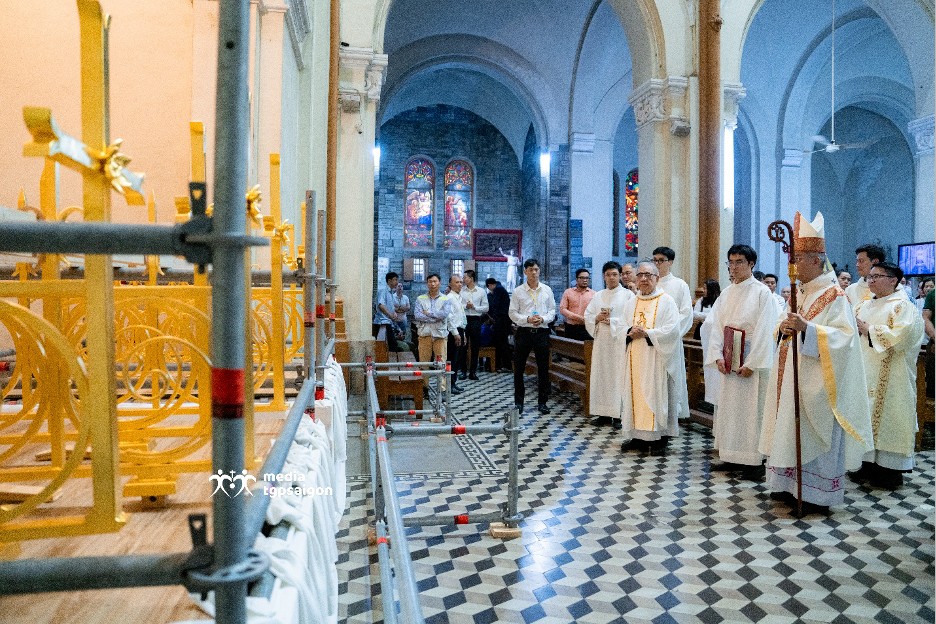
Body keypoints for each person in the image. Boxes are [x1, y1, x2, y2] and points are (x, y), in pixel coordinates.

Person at [759, 212, 874, 515]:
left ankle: (815, 494)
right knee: (788, 428)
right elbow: (782, 326)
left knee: (813, 433)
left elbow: (844, 338)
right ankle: (788, 485)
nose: (793, 265)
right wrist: (783, 328)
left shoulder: (834, 295)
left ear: (815, 259)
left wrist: (808, 330)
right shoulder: (801, 292)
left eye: (798, 259)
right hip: (790, 376)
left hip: (817, 382)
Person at [704, 245, 780, 478]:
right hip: (729, 358)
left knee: (751, 411)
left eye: (739, 262)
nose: (734, 267)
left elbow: (766, 330)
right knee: (729, 410)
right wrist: (717, 355)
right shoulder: (727, 293)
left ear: (751, 264)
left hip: (750, 359)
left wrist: (753, 363)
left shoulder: (762, 293)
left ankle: (753, 462)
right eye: (731, 262)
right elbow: (716, 326)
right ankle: (730, 456)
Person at [851, 262, 924, 490]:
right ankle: (864, 466)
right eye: (870, 277)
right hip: (864, 371)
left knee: (890, 418)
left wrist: (869, 330)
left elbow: (902, 337)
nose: (871, 281)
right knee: (864, 416)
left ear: (893, 280)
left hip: (892, 376)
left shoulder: (903, 307)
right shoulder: (862, 305)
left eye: (877, 276)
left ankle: (888, 472)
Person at [620, 260, 683, 455]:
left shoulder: (666, 301)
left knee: (655, 395)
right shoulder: (631, 302)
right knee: (635, 395)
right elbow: (621, 326)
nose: (644, 279)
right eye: (640, 275)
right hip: (634, 357)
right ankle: (637, 437)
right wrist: (629, 331)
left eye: (649, 275)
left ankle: (658, 439)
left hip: (656, 358)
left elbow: (672, 330)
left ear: (657, 278)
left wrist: (647, 333)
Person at [584, 261, 634, 423]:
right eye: (608, 275)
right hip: (602, 342)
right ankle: (603, 414)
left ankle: (618, 415)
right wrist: (596, 318)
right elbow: (588, 316)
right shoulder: (598, 295)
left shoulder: (628, 296)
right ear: (603, 277)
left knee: (618, 377)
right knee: (601, 376)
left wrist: (613, 321)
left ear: (620, 276)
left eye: (614, 274)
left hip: (619, 342)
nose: (611, 278)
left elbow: (631, 319)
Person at [508, 259, 556, 413]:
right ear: (525, 272)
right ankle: (519, 403)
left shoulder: (547, 290)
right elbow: (512, 313)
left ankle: (542, 402)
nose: (534, 272)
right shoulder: (518, 291)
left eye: (536, 269)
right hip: (524, 332)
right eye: (530, 270)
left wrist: (543, 319)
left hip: (541, 332)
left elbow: (552, 311)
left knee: (543, 368)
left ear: (539, 270)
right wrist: (527, 319)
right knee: (519, 368)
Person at [652, 246, 692, 429]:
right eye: (655, 260)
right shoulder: (649, 283)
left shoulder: (679, 285)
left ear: (671, 262)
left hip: (670, 342)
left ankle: (668, 425)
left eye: (661, 260)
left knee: (669, 383)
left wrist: (666, 333)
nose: (657, 264)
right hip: (649, 342)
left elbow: (686, 314)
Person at [413, 274, 460, 393]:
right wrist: (435, 317)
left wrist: (428, 313)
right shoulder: (420, 298)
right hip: (424, 334)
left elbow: (443, 315)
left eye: (435, 281)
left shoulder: (446, 299)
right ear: (427, 283)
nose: (432, 284)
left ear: (439, 283)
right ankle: (424, 388)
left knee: (441, 363)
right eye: (430, 281)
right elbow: (418, 315)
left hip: (440, 335)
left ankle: (442, 389)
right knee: (424, 363)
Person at [692, 278, 721, 406]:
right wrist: (710, 317)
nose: (703, 291)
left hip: (715, 332)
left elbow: (719, 316)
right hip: (701, 331)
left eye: (705, 288)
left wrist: (706, 316)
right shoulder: (701, 301)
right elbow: (695, 314)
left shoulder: (719, 300)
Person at [459, 269, 489, 380]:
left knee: (475, 346)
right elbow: (457, 305)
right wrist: (466, 306)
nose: (463, 279)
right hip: (464, 319)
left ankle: (473, 372)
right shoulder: (461, 291)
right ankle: (463, 371)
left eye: (465, 277)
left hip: (476, 320)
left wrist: (475, 307)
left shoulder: (481, 291)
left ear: (471, 278)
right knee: (463, 346)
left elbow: (486, 308)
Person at [560, 268, 596, 341]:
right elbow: (562, 309)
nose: (585, 280)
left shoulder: (594, 294)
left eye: (587, 278)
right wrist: (578, 317)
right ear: (576, 279)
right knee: (570, 347)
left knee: (587, 347)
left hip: (587, 328)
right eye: (582, 278)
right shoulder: (568, 292)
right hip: (571, 328)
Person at [485, 277, 512, 372]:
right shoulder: (500, 289)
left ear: (490, 285)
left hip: (502, 321)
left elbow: (496, 305)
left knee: (502, 343)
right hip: (503, 321)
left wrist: (494, 319)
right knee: (501, 343)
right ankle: (499, 365)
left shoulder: (498, 290)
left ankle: (506, 365)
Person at [445, 274, 467, 395]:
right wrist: (455, 333)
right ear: (450, 284)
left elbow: (461, 316)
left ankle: (453, 382)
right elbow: (449, 318)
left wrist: (463, 333)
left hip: (460, 330)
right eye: (457, 282)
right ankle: (449, 385)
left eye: (461, 282)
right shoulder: (449, 298)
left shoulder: (458, 297)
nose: (460, 284)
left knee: (457, 359)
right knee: (452, 359)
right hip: (453, 332)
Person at [374, 272, 404, 352]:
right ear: (389, 281)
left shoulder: (391, 292)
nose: (397, 282)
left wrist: (394, 313)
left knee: (394, 346)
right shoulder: (383, 291)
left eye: (397, 280)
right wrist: (390, 315)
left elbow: (390, 307)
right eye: (395, 280)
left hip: (388, 322)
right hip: (382, 323)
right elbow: (381, 305)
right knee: (392, 347)